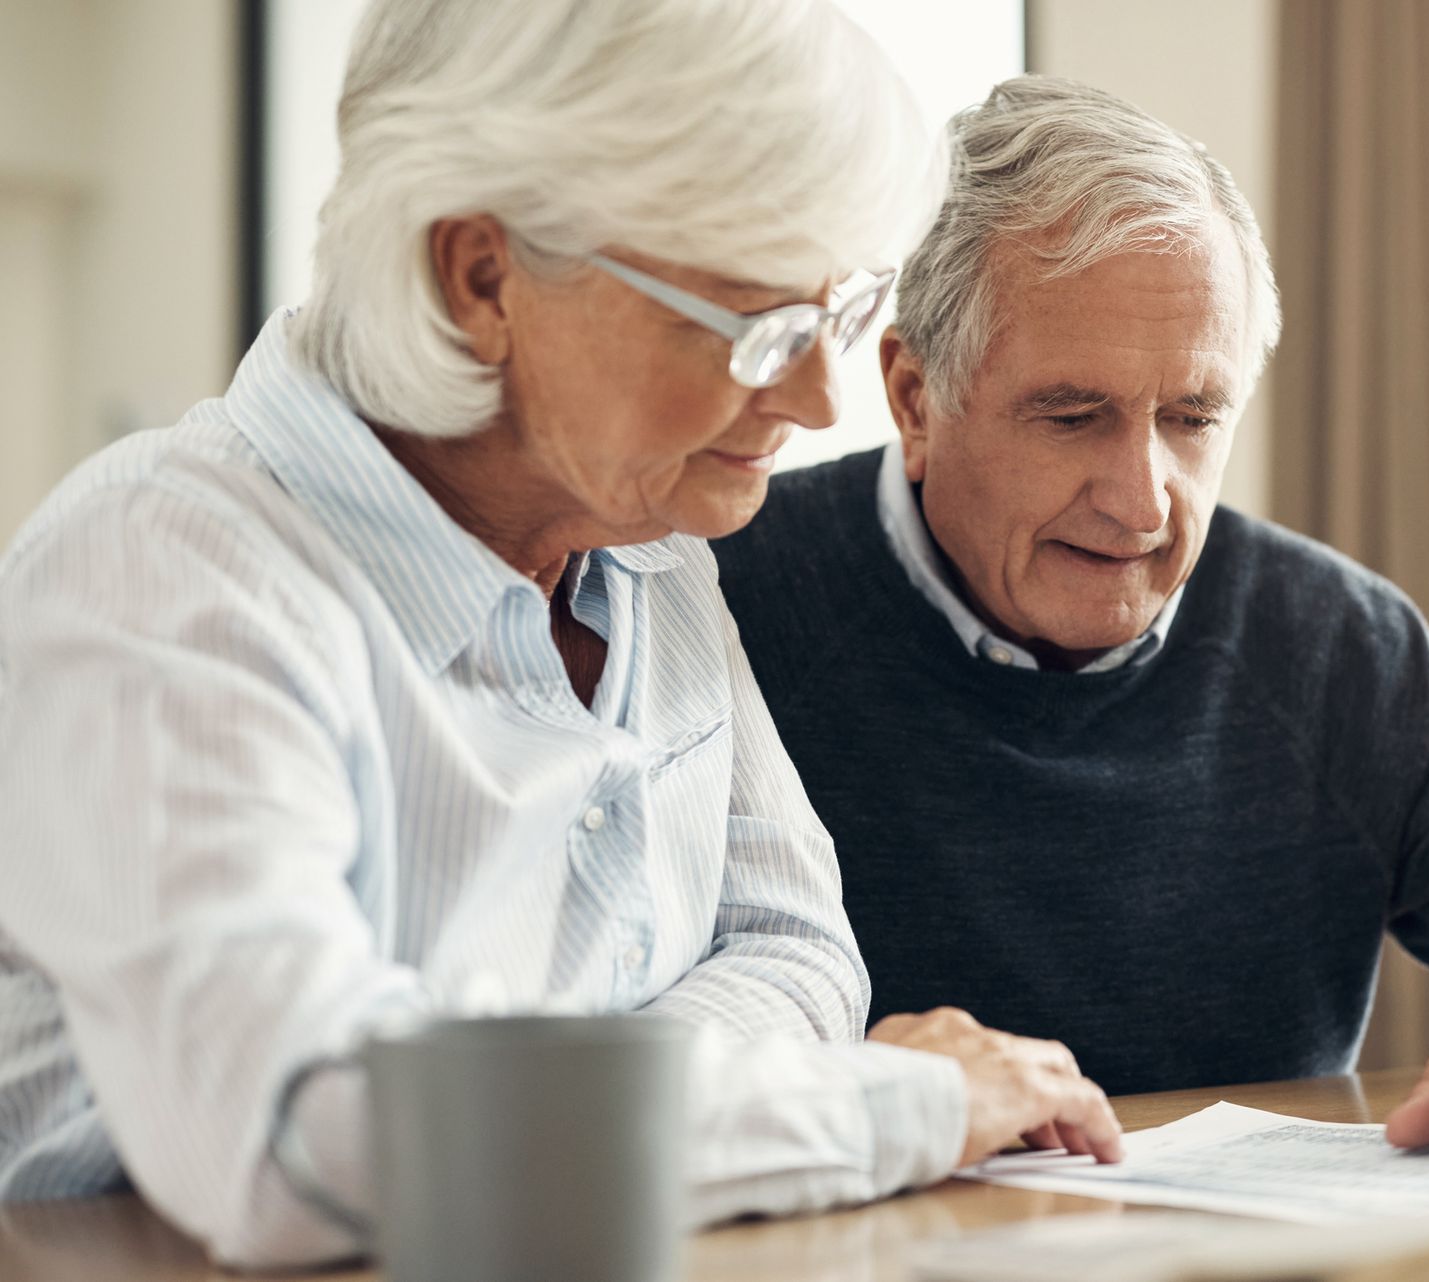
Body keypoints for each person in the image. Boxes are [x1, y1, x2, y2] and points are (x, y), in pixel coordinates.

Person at [0, 8, 1120, 1270]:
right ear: (481, 278)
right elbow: (305, 1137)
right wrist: (897, 1105)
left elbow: (798, 954)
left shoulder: (649, 542)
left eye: (832, 317)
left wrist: (527, 1103)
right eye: (756, 327)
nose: (814, 401)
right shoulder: (162, 569)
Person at [713, 75, 1429, 1179]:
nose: (1142, 501)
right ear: (912, 395)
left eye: (1193, 418)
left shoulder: (1325, 645)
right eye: (1072, 416)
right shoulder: (718, 600)